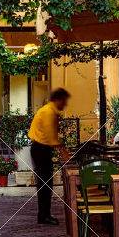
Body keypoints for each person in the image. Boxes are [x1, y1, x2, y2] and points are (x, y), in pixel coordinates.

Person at [27, 88, 71, 225]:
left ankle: (44, 214)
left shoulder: (49, 110)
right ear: (58, 99)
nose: (65, 104)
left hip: (41, 149)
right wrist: (65, 154)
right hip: (41, 149)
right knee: (45, 183)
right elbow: (52, 138)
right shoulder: (48, 112)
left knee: (45, 183)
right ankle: (44, 215)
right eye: (64, 101)